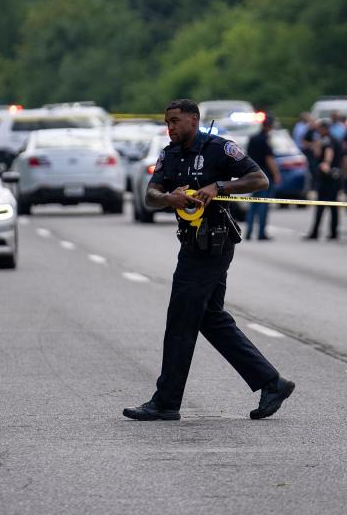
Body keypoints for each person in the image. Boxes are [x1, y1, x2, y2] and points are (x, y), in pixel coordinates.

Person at [123, 99, 295, 421]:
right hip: (191, 244)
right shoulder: (169, 154)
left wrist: (219, 186)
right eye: (167, 122)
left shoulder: (219, 149)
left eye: (175, 121)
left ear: (193, 119)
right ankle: (272, 383)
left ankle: (166, 402)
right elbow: (149, 196)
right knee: (209, 318)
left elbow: (260, 180)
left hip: (213, 244)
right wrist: (169, 198)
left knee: (180, 321)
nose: (170, 127)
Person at [304, 119, 347, 240]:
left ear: (324, 129)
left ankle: (315, 232)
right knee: (333, 206)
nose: (318, 131)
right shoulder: (334, 139)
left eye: (319, 129)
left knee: (321, 205)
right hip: (335, 176)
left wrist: (326, 163)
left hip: (327, 177)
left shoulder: (327, 140)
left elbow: (329, 151)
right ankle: (333, 232)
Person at [245, 112, 282, 241]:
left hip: (253, 175)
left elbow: (247, 158)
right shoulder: (266, 140)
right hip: (265, 175)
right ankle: (261, 233)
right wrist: (277, 174)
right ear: (269, 126)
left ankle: (249, 232)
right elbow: (269, 159)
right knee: (263, 205)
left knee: (253, 204)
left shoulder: (253, 138)